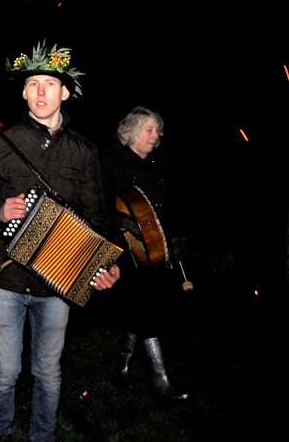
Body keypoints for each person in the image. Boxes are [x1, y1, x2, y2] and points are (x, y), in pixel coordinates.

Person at [0, 39, 121, 442]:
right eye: (33, 84)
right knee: (6, 371)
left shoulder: (83, 151)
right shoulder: (3, 143)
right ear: (24, 92)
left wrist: (104, 265)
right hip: (6, 278)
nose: (41, 92)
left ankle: (42, 437)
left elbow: (98, 217)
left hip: (56, 283)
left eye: (49, 84)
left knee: (48, 372)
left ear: (65, 92)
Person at [99, 106, 190, 401]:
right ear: (133, 131)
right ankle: (160, 380)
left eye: (158, 131)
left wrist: (175, 238)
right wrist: (121, 221)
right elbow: (98, 204)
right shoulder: (111, 160)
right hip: (125, 251)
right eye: (150, 130)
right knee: (145, 310)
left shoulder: (159, 162)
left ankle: (122, 366)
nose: (156, 135)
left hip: (157, 249)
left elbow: (173, 203)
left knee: (143, 309)